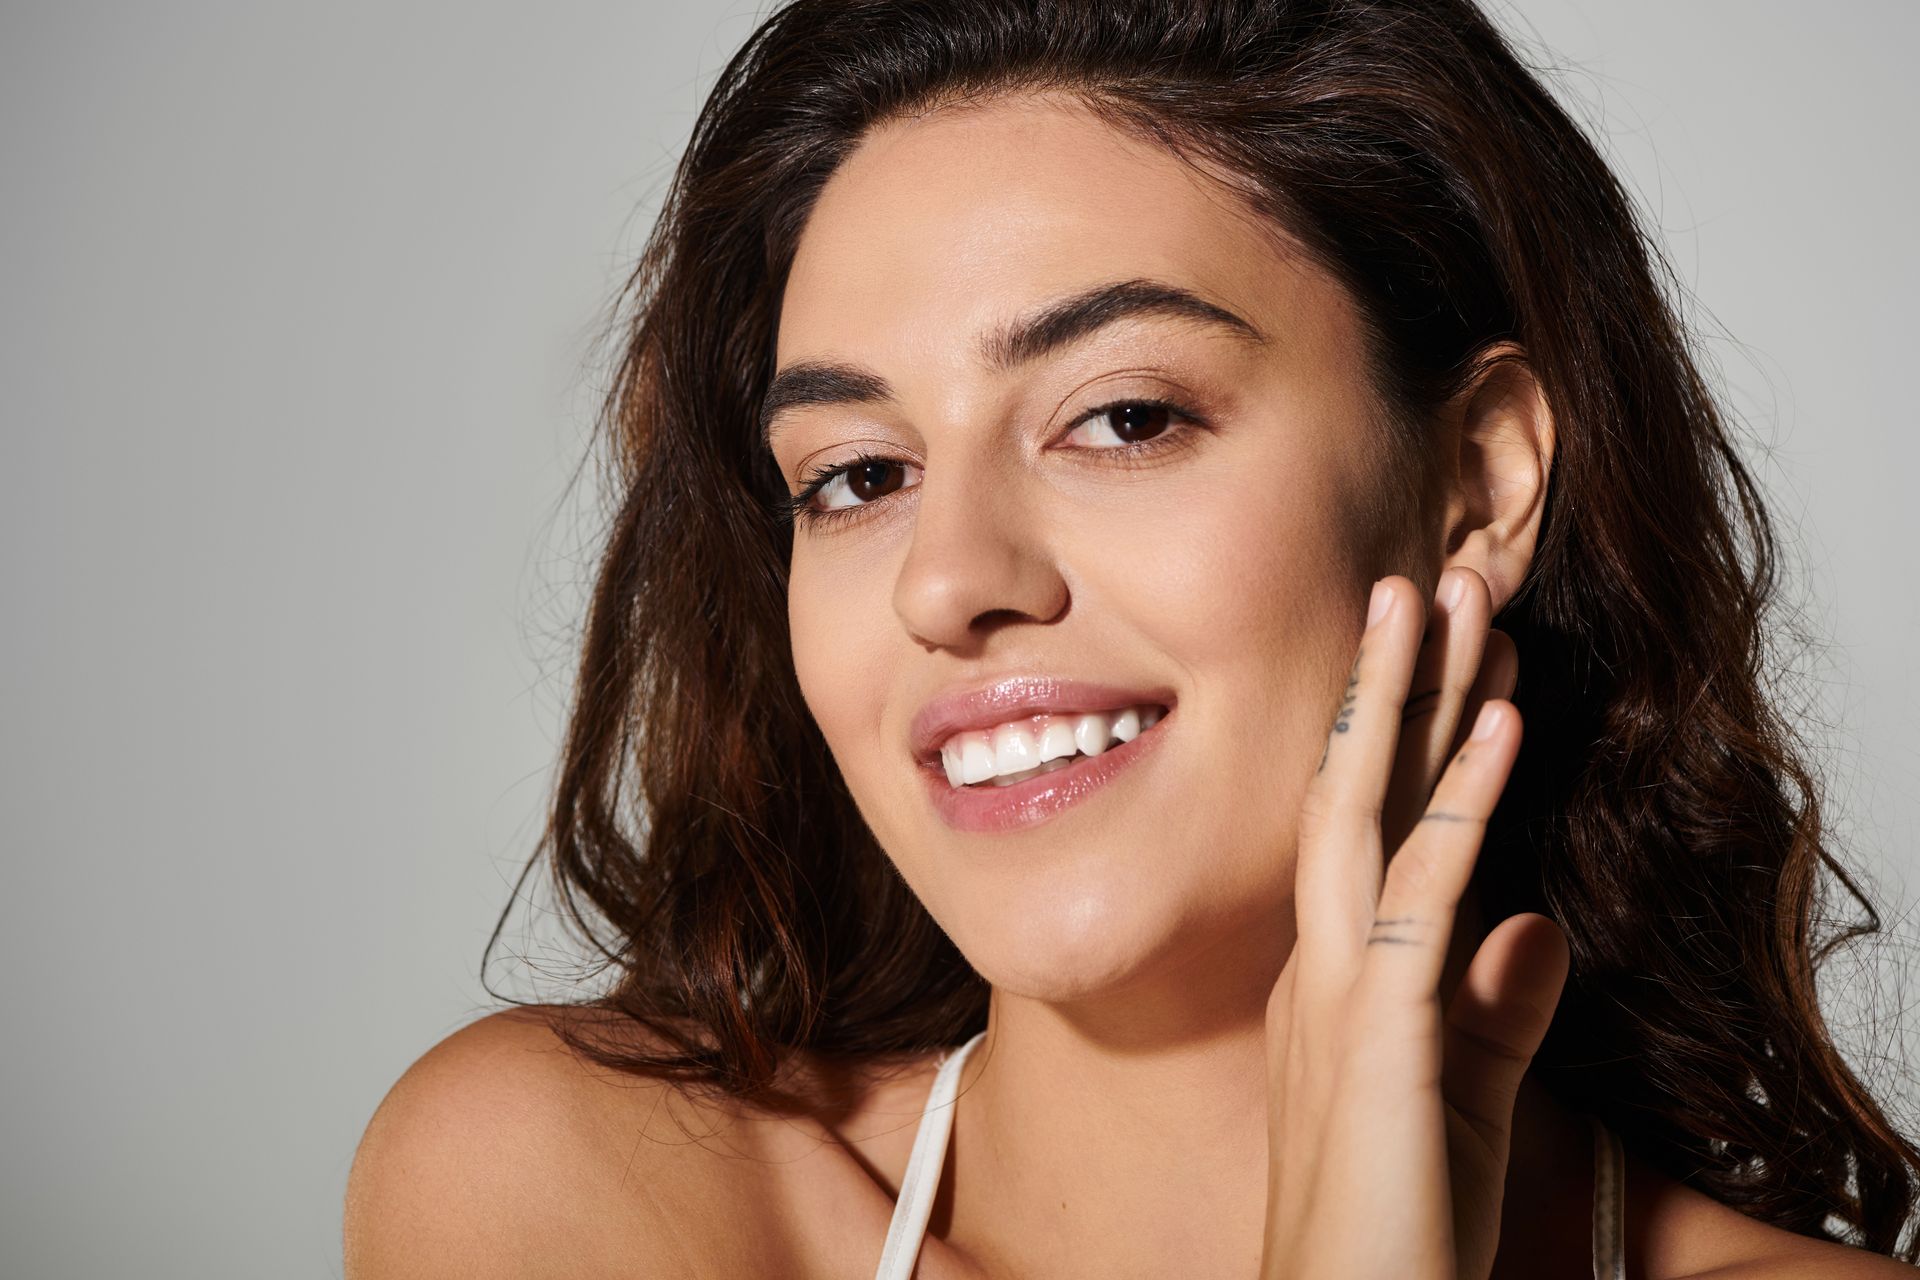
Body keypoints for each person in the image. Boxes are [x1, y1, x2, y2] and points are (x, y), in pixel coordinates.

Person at [342, 1, 1920, 1275]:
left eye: (1124, 417)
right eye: (860, 476)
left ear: (1477, 479)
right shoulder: (577, 1198)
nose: (945, 580)